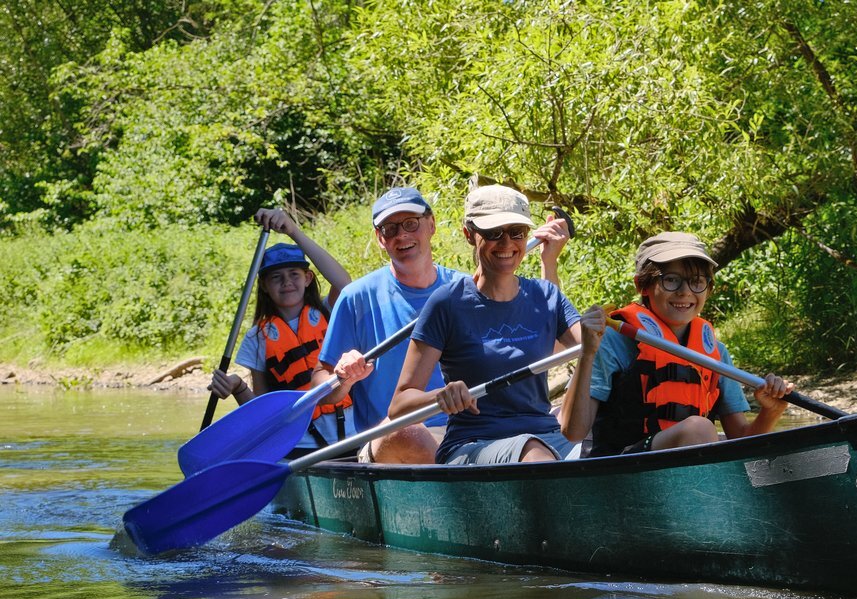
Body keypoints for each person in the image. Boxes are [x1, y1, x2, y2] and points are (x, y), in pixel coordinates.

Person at [312, 186, 571, 464]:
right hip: (397, 434)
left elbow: (545, 341)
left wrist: (549, 263)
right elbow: (321, 389)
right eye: (390, 228)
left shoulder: (466, 289)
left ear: (431, 225)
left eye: (411, 223)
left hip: (475, 433)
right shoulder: (357, 298)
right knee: (410, 432)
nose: (402, 235)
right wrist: (342, 377)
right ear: (379, 238)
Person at [388, 185, 599, 464]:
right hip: (474, 443)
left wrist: (596, 333)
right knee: (533, 452)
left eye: (517, 233)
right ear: (469, 234)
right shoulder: (447, 303)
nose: (507, 243)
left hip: (544, 436)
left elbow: (576, 346)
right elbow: (399, 406)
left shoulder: (546, 296)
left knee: (604, 447)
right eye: (493, 233)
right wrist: (441, 394)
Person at [560, 232, 793, 457]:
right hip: (619, 467)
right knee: (698, 429)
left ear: (709, 289)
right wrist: (587, 354)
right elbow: (573, 432)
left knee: (699, 430)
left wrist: (771, 411)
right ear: (643, 285)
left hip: (681, 476)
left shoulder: (715, 353)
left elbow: (743, 443)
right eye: (671, 280)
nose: (685, 292)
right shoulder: (613, 341)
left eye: (697, 282)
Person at [207, 208, 355, 453]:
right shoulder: (257, 338)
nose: (286, 282)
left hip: (349, 437)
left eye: (294, 274)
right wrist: (238, 388)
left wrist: (294, 231)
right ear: (264, 286)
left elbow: (344, 282)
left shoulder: (329, 311)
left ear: (308, 278)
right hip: (299, 446)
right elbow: (261, 412)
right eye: (276, 277)